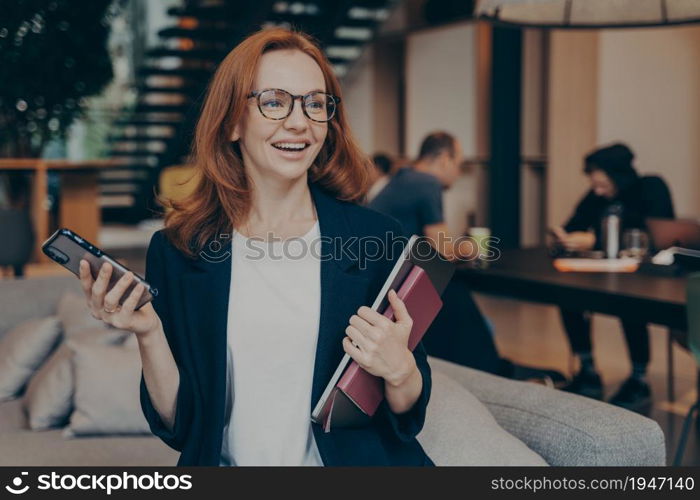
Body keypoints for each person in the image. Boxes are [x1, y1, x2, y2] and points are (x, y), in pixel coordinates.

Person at [77, 28, 432, 466]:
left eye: (315, 103)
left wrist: (401, 369)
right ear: (231, 121)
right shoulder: (177, 251)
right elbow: (182, 426)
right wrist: (148, 332)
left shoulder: (377, 239)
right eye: (274, 101)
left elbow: (408, 414)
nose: (299, 122)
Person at [368, 132, 563, 381]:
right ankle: (492, 370)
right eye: (458, 165)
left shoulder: (403, 178)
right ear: (444, 159)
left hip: (378, 278)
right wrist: (471, 247)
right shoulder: (426, 182)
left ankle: (488, 366)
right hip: (390, 287)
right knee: (455, 290)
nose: (458, 174)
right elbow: (442, 249)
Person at [552, 143, 675, 410]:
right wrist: (566, 238)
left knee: (629, 304)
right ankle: (587, 370)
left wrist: (595, 238)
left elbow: (657, 230)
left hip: (645, 275)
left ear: (616, 175)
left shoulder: (651, 187)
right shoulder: (597, 197)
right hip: (605, 272)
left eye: (601, 183)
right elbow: (573, 224)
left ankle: (639, 379)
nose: (596, 190)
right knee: (567, 294)